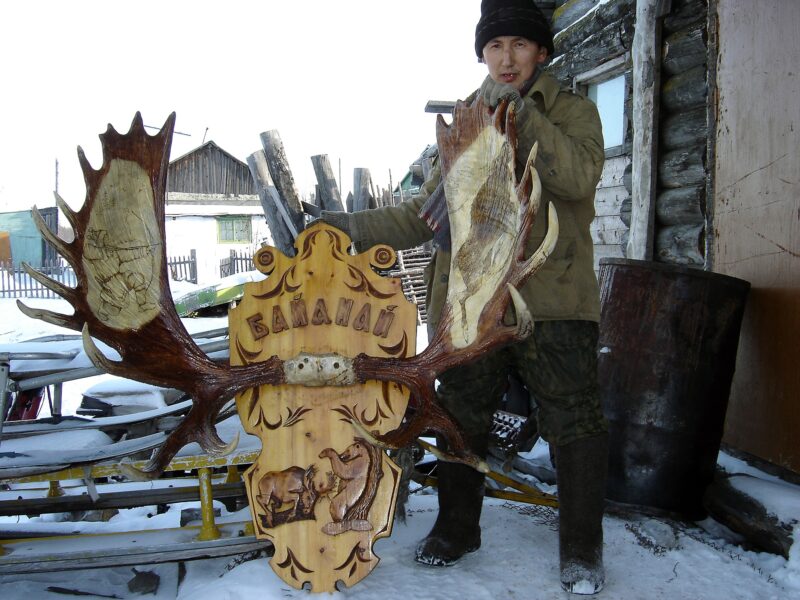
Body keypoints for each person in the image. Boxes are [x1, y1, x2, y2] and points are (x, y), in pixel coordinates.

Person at [319, 0, 608, 594]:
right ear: (482, 54)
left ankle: (582, 549)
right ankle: (456, 531)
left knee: (574, 420)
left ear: (541, 52)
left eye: (519, 45)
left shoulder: (574, 112)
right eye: (494, 47)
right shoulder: (467, 122)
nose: (506, 58)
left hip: (554, 302)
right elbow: (422, 216)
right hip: (473, 307)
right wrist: (345, 228)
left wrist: (522, 116)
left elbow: (578, 178)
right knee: (459, 416)